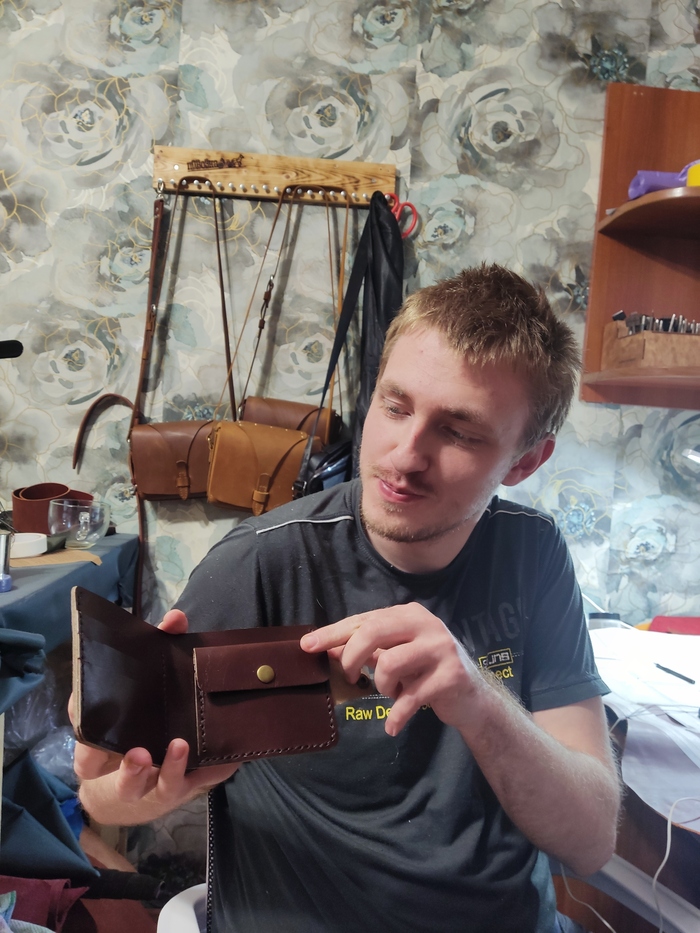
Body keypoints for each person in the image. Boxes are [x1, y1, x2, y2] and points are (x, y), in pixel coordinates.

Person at [73, 264, 621, 933]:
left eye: (459, 431)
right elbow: (100, 792)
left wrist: (478, 701)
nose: (404, 455)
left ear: (525, 461)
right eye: (395, 406)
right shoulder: (258, 564)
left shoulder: (533, 553)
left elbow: (591, 841)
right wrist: (136, 787)